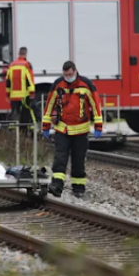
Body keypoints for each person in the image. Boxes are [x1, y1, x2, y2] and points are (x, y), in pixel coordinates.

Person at [41, 61, 103, 199]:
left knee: (78, 160)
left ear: (75, 71)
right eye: (65, 75)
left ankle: (78, 188)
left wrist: (98, 125)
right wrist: (46, 125)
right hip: (62, 129)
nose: (68, 77)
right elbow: (49, 105)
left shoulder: (86, 85)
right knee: (60, 158)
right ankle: (56, 186)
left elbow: (96, 104)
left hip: (81, 130)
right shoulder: (58, 85)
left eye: (70, 74)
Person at [5, 46, 36, 131]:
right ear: (26, 54)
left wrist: (7, 94)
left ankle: (12, 133)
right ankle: (24, 132)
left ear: (19, 54)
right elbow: (29, 79)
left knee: (14, 114)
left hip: (14, 96)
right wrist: (32, 93)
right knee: (25, 115)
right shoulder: (26, 65)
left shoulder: (11, 65)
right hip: (24, 96)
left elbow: (8, 81)